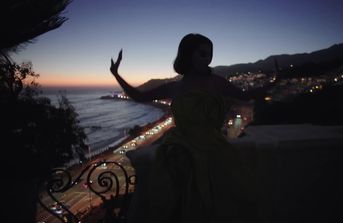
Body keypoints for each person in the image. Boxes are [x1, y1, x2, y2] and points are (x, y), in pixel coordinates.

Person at [110, 33, 266, 222]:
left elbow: (245, 96)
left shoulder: (217, 82)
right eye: (202, 54)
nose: (207, 59)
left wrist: (273, 83)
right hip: (179, 149)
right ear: (187, 55)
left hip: (212, 147)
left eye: (210, 54)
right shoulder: (174, 87)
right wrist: (116, 74)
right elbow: (138, 96)